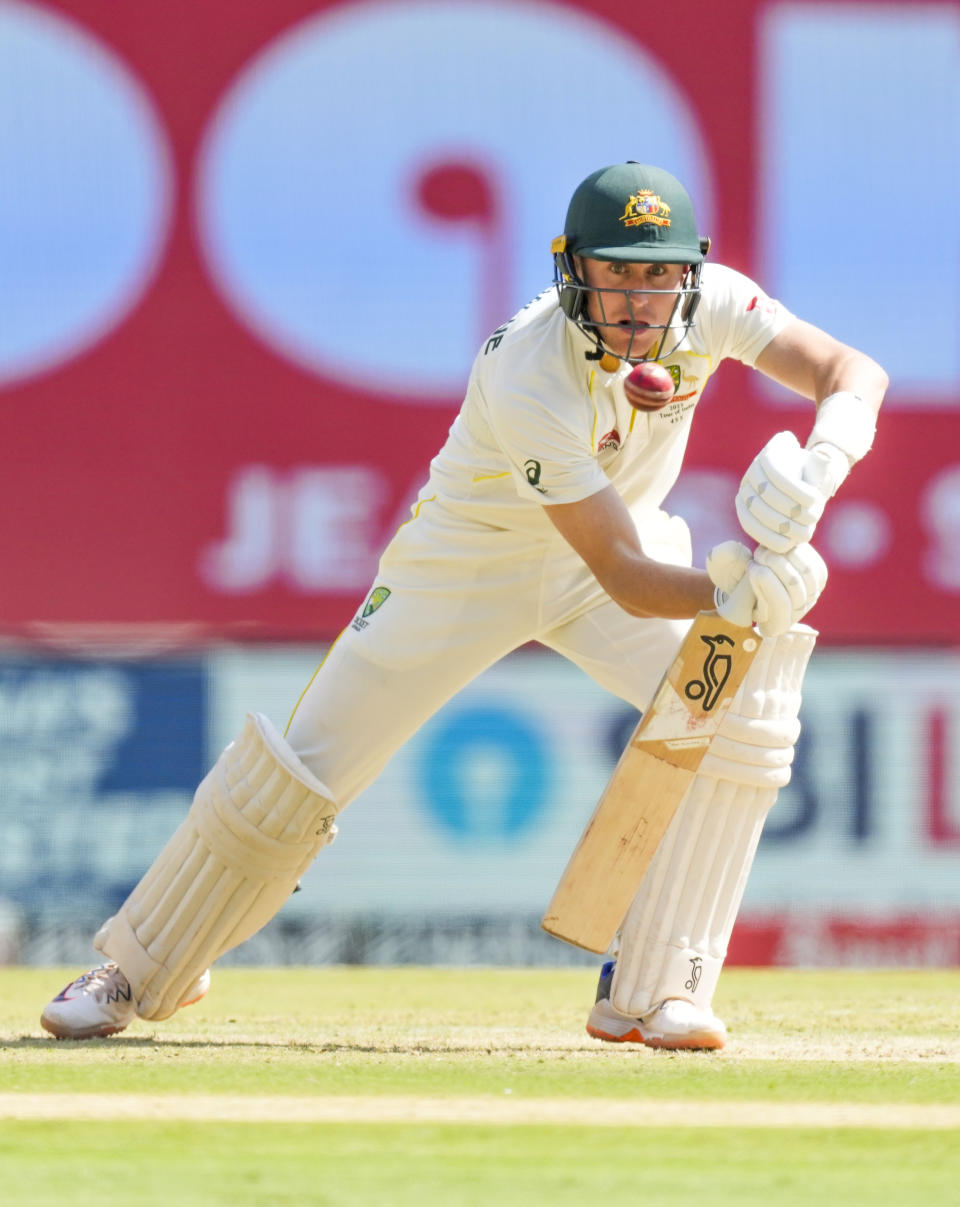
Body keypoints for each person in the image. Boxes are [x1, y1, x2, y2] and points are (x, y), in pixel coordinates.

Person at [41, 162, 887, 1047]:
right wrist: (736, 591)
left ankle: (659, 985)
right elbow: (625, 575)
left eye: (657, 275)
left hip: (613, 544)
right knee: (303, 771)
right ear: (573, 272)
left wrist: (824, 464)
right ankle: (134, 968)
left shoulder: (712, 301)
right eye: (617, 273)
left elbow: (848, 370)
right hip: (468, 565)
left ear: (688, 271)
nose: (640, 300)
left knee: (744, 707)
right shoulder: (529, 368)